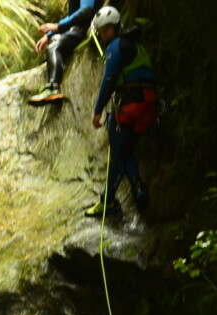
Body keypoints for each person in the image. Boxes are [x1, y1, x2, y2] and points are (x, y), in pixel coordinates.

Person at [85, 5, 156, 217]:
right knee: (125, 148)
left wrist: (97, 111)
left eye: (107, 29)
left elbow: (109, 80)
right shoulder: (134, 44)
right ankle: (138, 188)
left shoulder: (115, 47)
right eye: (102, 31)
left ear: (116, 26)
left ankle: (108, 201)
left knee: (116, 146)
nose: (105, 34)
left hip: (133, 103)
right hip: (148, 104)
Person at [28, 0, 97, 105]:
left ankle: (52, 88)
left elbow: (86, 11)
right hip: (78, 29)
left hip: (88, 28)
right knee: (54, 40)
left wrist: (57, 26)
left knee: (53, 47)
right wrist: (49, 35)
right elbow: (71, 16)